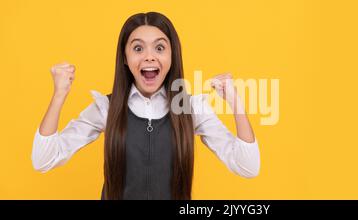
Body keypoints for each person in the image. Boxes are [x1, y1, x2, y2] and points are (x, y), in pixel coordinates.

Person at [32, 12, 260, 200]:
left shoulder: (191, 108)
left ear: (172, 56)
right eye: (138, 48)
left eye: (159, 48)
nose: (149, 57)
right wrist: (59, 95)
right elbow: (44, 159)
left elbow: (247, 166)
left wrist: (236, 103)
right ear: (125, 57)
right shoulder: (106, 108)